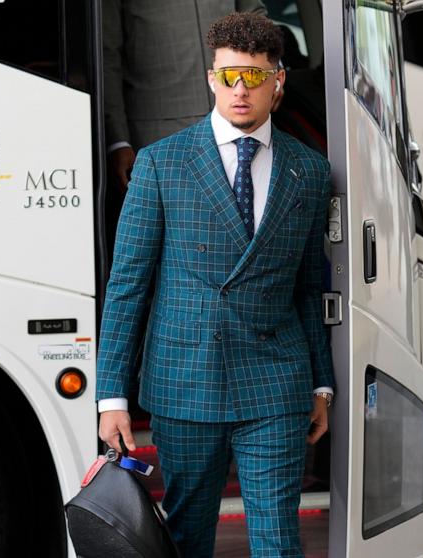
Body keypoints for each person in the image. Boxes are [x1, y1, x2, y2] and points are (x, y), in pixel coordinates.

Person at [96, 12, 334, 558]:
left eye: (253, 77)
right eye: (229, 77)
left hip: (275, 383)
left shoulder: (310, 171)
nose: (240, 90)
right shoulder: (161, 164)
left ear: (278, 82)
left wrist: (321, 385)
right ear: (211, 79)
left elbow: (307, 288)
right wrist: (113, 398)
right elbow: (128, 286)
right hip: (185, 382)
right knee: (187, 538)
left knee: (279, 541)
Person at [103, 0, 267, 192]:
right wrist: (118, 140)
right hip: (156, 132)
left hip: (239, 120)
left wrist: (270, 69)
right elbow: (106, 55)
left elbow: (253, 13)